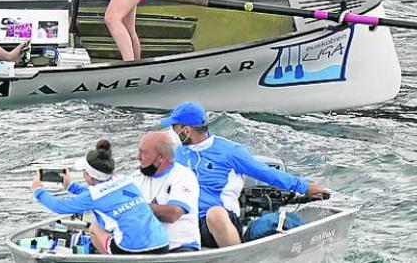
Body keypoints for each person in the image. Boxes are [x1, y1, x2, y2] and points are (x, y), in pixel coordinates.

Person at [162, 102, 330, 249]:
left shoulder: (230, 151)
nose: (172, 131)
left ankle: (237, 256)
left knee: (215, 214)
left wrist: (305, 187)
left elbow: (266, 173)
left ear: (186, 130)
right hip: (185, 223)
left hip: (218, 221)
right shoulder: (176, 154)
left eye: (174, 127)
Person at [31, 139, 169, 255]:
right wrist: (70, 187)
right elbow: (102, 193)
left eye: (84, 172)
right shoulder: (126, 180)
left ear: (90, 175)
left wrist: (38, 190)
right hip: (162, 244)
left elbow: (59, 206)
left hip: (131, 250)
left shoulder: (93, 196)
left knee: (94, 228)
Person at [135, 131, 201, 252]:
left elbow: (173, 214)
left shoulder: (184, 176)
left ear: (160, 157)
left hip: (179, 247)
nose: (138, 157)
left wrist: (137, 207)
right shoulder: (135, 178)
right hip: (145, 248)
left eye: (143, 152)